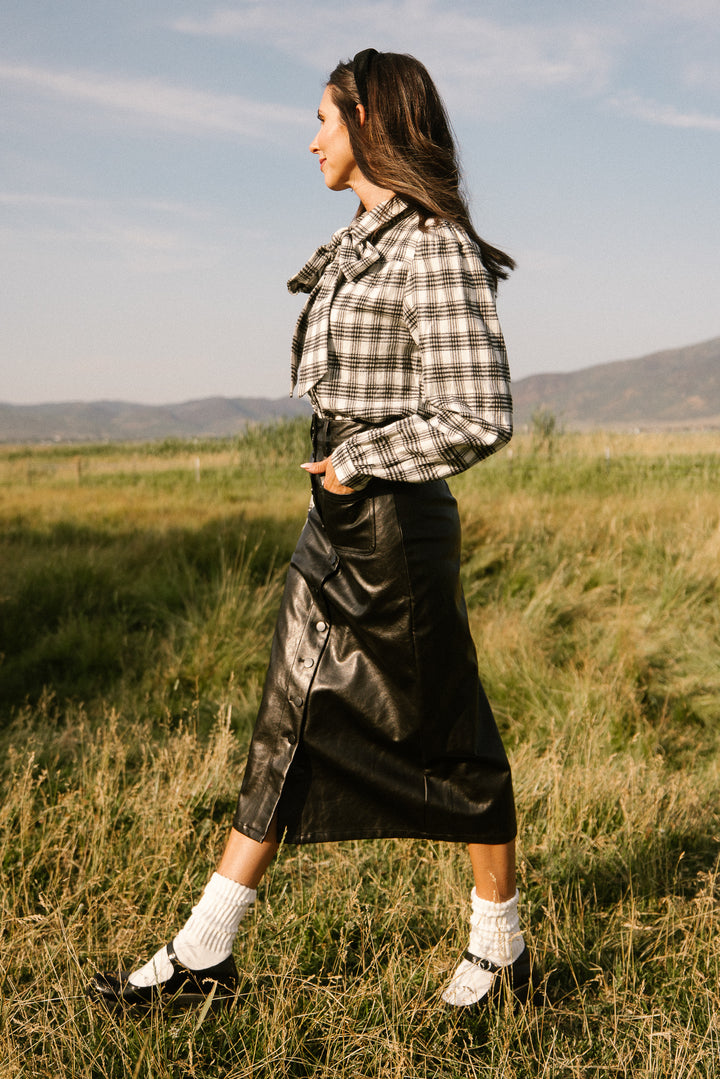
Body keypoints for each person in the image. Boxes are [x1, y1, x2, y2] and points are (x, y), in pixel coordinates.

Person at [89, 48, 529, 1012]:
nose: (312, 138)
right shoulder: (361, 238)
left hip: (394, 523)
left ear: (368, 121)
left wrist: (361, 459)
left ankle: (500, 949)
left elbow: (479, 412)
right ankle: (207, 949)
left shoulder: (432, 246)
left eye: (324, 119)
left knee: (445, 730)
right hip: (337, 510)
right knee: (288, 716)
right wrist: (339, 471)